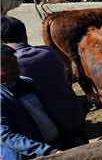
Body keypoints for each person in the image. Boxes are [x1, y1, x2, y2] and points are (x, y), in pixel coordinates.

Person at [1, 14, 86, 142]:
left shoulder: (9, 67)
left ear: (1, 42)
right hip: (74, 115)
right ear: (25, 35)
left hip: (47, 131)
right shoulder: (48, 52)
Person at [1, 44, 82, 160]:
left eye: (15, 60)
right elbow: (7, 136)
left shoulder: (28, 83)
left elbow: (53, 115)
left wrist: (70, 139)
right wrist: (46, 152)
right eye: (7, 62)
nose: (15, 65)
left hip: (56, 149)